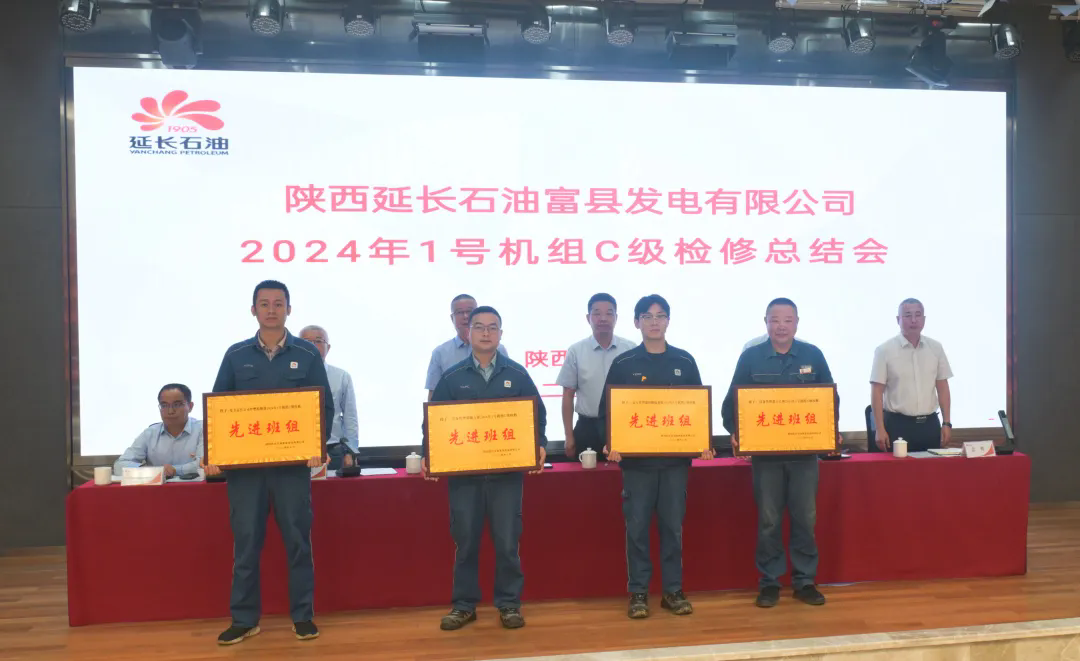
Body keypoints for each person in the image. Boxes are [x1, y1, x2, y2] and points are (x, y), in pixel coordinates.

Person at [205, 280, 333, 645]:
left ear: (289, 310)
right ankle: (244, 619)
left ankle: (303, 616)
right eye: (264, 303)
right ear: (254, 310)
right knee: (246, 544)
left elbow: (323, 406)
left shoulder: (307, 354)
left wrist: (316, 445)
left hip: (291, 469)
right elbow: (220, 408)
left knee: (298, 543)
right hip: (246, 472)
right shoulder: (236, 355)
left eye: (279, 303)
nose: (272, 309)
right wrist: (216, 454)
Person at [425, 306, 547, 631]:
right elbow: (434, 421)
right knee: (465, 543)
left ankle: (509, 604)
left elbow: (538, 415)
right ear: (468, 332)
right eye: (479, 327)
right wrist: (430, 453)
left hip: (506, 476)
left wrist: (539, 443)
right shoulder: (452, 377)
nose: (485, 333)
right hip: (465, 478)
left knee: (507, 543)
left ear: (501, 334)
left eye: (493, 327)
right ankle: (464, 606)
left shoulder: (517, 374)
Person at [597, 294, 714, 620]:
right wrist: (610, 443)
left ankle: (673, 591)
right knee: (636, 530)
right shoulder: (624, 363)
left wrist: (703, 442)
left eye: (660, 316)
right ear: (636, 322)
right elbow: (606, 412)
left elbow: (697, 410)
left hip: (675, 465)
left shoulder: (685, 361)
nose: (654, 322)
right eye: (647, 317)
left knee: (672, 529)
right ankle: (638, 593)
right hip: (637, 466)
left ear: (668, 321)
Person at [721, 298, 837, 609]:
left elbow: (830, 400)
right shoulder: (751, 357)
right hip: (766, 459)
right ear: (766, 322)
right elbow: (731, 404)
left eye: (788, 320)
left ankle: (804, 581)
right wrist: (737, 432)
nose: (781, 326)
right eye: (775, 320)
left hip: (805, 458)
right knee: (769, 521)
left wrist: (831, 429)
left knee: (805, 519)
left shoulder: (813, 355)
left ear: (797, 323)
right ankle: (770, 582)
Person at [555, 293, 635, 460]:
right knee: (586, 475)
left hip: (623, 427)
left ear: (616, 317)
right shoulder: (576, 351)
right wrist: (568, 436)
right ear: (588, 318)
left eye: (609, 313)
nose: (603, 318)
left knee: (623, 474)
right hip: (587, 428)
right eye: (597, 313)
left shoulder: (630, 350)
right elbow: (568, 395)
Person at [870, 298, 953, 453]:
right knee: (898, 469)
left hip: (930, 425)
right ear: (898, 319)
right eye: (908, 315)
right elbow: (877, 392)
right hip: (897, 425)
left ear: (924, 319)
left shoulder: (935, 348)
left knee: (931, 468)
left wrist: (947, 423)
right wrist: (879, 429)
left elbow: (943, 388)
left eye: (918, 315)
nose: (913, 320)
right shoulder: (884, 350)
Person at [425, 294, 508, 400]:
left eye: (469, 311)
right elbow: (433, 397)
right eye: (459, 312)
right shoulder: (440, 353)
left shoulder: (499, 349)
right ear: (452, 318)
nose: (465, 316)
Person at [300, 325, 359, 470]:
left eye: (318, 341)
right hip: (299, 449)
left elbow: (350, 418)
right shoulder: (289, 376)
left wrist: (351, 452)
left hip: (333, 450)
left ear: (328, 347)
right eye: (306, 341)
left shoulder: (342, 376)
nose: (312, 346)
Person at [114, 383, 203, 477]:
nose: (170, 411)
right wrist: (150, 471)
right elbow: (120, 465)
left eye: (177, 405)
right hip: (157, 486)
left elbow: (205, 463)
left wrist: (175, 470)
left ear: (190, 406)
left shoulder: (203, 429)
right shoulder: (150, 433)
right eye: (164, 405)